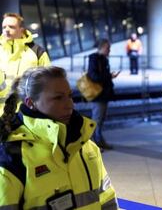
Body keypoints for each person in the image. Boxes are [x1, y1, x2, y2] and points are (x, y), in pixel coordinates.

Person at [0, 66, 118, 209]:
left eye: (69, 96)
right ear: (30, 103)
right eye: (58, 98)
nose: (70, 105)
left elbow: (107, 200)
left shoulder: (86, 145)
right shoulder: (12, 154)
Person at [0, 13, 50, 115]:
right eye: (4, 27)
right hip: (1, 113)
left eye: (11, 27)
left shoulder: (37, 52)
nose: (7, 29)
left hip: (28, 113)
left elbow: (48, 82)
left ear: (21, 30)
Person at [88, 38, 119, 150]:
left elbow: (101, 75)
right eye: (108, 48)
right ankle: (93, 144)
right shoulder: (94, 59)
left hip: (104, 94)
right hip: (98, 95)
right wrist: (109, 76)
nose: (109, 50)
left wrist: (109, 75)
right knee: (96, 119)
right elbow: (93, 76)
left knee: (100, 120)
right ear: (101, 47)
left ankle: (99, 140)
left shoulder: (104, 60)